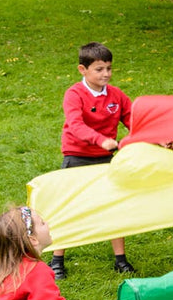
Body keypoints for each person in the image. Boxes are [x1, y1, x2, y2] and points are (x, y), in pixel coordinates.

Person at [49, 41, 135, 279]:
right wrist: (100, 140)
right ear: (82, 70)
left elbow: (134, 123)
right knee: (69, 208)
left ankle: (120, 260)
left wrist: (157, 139)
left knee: (113, 207)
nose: (106, 74)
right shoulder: (74, 94)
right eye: (99, 69)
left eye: (109, 68)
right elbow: (75, 125)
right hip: (77, 157)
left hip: (106, 160)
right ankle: (56, 261)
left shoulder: (116, 95)